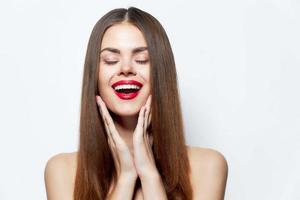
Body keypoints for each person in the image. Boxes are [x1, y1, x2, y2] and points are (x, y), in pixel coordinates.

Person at [44, 6, 228, 200]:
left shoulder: (208, 166)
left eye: (141, 59)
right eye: (110, 59)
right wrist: (126, 177)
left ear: (161, 74)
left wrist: (149, 176)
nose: (125, 68)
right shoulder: (62, 171)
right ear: (95, 76)